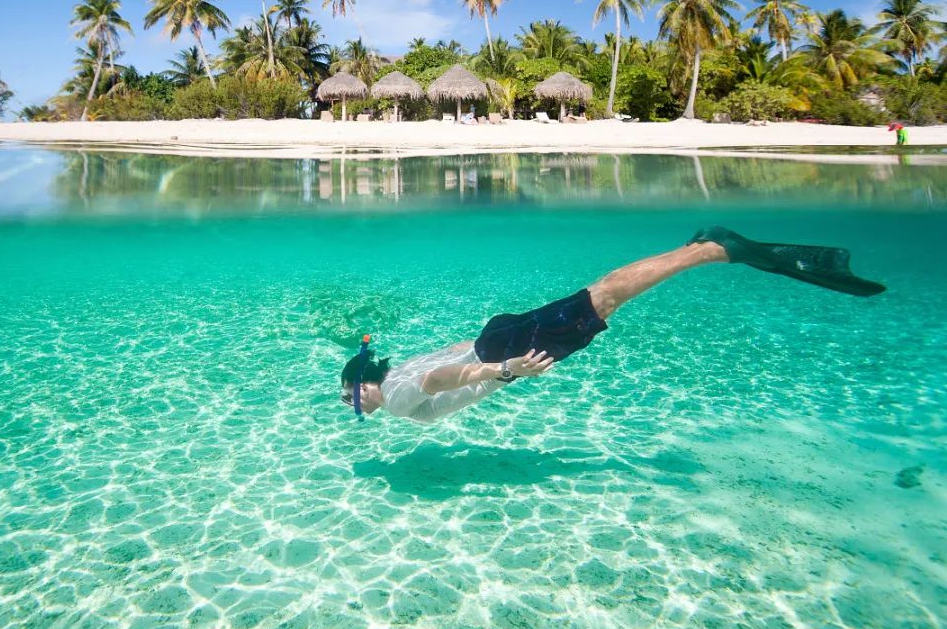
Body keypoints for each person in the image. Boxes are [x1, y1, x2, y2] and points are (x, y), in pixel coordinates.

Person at [339, 225, 885, 424]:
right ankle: (700, 246)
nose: (356, 406)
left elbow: (442, 380)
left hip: (503, 351)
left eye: (350, 399)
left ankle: (715, 249)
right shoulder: (396, 370)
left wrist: (506, 369)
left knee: (601, 299)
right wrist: (495, 350)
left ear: (363, 385)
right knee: (598, 298)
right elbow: (448, 355)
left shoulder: (401, 395)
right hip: (492, 337)